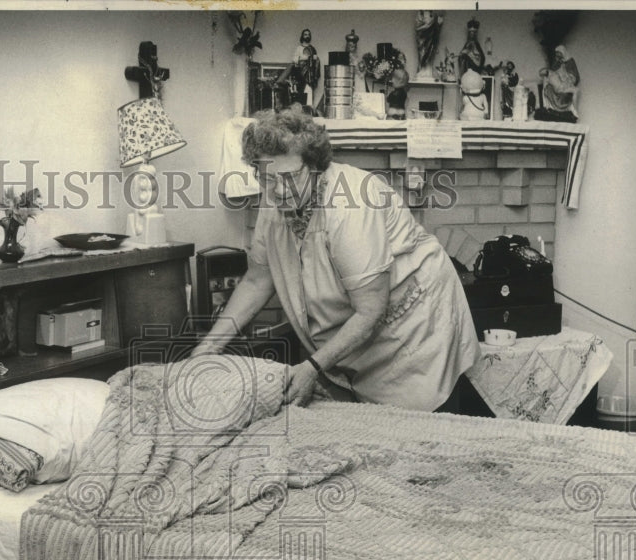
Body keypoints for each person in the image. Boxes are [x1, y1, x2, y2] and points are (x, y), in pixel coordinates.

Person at [192, 108, 480, 412]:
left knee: (427, 430)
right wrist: (209, 347)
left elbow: (370, 311)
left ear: (314, 166)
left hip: (416, 325)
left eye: (290, 178)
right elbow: (256, 281)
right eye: (266, 178)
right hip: (366, 331)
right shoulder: (275, 199)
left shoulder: (349, 205)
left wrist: (313, 367)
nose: (278, 190)